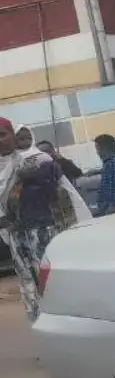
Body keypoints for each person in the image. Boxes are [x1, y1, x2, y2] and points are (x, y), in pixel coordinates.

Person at [0, 118, 79, 321]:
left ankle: (65, 319)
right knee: (28, 282)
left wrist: (34, 177)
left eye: (3, 135)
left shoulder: (37, 159)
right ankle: (39, 323)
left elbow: (58, 192)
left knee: (50, 278)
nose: (0, 141)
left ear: (12, 135)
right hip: (16, 236)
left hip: (43, 230)